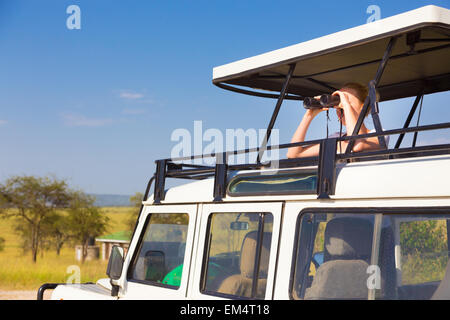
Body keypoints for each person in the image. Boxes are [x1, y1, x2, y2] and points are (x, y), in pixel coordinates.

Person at [287, 82, 387, 158]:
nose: (340, 106)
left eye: (346, 101)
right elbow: (293, 154)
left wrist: (346, 105)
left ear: (363, 107)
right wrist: (308, 116)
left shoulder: (379, 134)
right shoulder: (335, 137)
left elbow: (357, 145)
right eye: (338, 102)